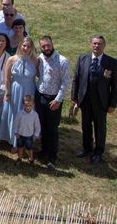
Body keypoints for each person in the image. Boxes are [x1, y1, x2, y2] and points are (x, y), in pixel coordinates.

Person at [71, 34, 117, 165]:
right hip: (85, 99)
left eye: (100, 44)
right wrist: (74, 98)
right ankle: (87, 148)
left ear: (104, 46)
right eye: (95, 43)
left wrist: (113, 104)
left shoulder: (112, 62)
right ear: (91, 44)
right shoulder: (83, 58)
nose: (97, 46)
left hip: (101, 101)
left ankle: (98, 152)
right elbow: (76, 79)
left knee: (100, 127)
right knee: (86, 125)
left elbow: (115, 86)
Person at [35, 36, 69, 169]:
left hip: (54, 99)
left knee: (52, 129)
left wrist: (58, 100)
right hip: (41, 96)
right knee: (42, 126)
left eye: (48, 45)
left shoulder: (62, 61)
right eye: (43, 46)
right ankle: (44, 151)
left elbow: (65, 82)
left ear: (52, 44)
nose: (46, 48)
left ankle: (52, 157)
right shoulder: (40, 59)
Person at [0, 37, 39, 148]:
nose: (25, 48)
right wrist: (7, 92)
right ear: (20, 45)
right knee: (15, 113)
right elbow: (6, 78)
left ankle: (27, 140)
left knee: (27, 114)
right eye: (24, 45)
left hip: (29, 89)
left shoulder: (35, 60)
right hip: (15, 89)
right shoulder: (12, 59)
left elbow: (40, 75)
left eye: (28, 46)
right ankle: (13, 140)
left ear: (32, 48)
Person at [14, 94, 40, 164]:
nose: (28, 107)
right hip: (20, 134)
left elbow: (37, 126)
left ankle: (31, 158)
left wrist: (35, 135)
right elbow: (16, 123)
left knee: (29, 148)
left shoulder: (35, 115)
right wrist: (16, 132)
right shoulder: (20, 113)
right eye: (26, 105)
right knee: (20, 147)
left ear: (33, 104)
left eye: (30, 106)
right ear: (23, 104)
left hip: (29, 135)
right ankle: (19, 158)